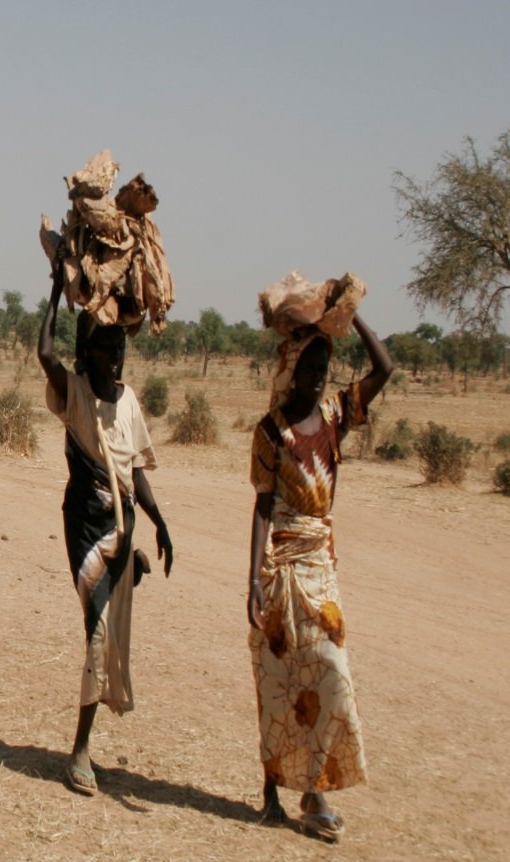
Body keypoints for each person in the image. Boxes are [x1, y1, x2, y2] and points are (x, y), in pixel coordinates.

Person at [247, 313, 392, 840]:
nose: (317, 375)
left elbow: (385, 366)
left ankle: (314, 788)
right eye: (308, 365)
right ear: (289, 369)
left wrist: (350, 316)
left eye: (323, 366)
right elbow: (262, 508)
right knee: (279, 680)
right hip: (283, 566)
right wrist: (253, 583)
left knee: (331, 669)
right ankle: (272, 791)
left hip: (321, 565)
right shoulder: (270, 432)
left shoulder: (337, 414)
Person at [39, 264, 173, 796]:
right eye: (107, 348)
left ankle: (131, 562)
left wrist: (160, 521)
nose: (117, 358)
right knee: (96, 636)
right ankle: (80, 752)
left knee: (108, 633)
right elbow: (45, 355)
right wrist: (55, 288)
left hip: (124, 525)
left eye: (122, 350)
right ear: (90, 351)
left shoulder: (129, 400)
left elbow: (135, 470)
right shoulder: (73, 393)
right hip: (85, 526)